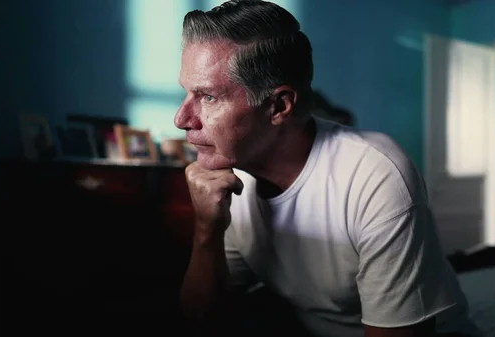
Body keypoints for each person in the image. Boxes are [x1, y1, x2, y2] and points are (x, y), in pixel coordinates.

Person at [174, 1, 479, 336]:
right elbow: (204, 321)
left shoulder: (376, 176)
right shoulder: (229, 177)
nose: (182, 119)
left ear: (278, 105)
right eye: (187, 93)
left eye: (209, 97)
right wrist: (207, 228)